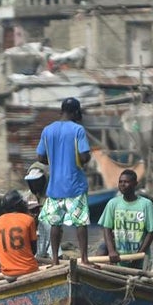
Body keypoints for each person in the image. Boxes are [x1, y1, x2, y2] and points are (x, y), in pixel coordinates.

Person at [36, 97, 92, 265]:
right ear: (75, 112)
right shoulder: (78, 130)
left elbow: (40, 157)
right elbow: (84, 155)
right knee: (80, 222)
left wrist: (55, 160)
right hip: (75, 185)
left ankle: (54, 259)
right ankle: (84, 258)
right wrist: (84, 159)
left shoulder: (47, 130)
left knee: (55, 224)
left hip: (54, 187)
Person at [99, 168, 153, 267]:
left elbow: (151, 232)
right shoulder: (113, 203)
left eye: (126, 182)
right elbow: (107, 228)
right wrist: (112, 251)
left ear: (135, 184)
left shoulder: (146, 204)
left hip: (139, 260)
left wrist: (139, 254)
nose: (122, 184)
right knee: (102, 248)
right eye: (120, 182)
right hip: (119, 259)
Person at [0, 189, 39, 277]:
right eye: (22, 203)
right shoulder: (29, 220)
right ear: (17, 205)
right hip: (29, 271)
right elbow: (34, 250)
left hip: (8, 274)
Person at [24, 161, 52, 262]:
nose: (35, 184)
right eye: (33, 182)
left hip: (48, 234)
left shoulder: (52, 196)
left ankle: (51, 255)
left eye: (37, 181)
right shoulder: (27, 197)